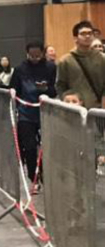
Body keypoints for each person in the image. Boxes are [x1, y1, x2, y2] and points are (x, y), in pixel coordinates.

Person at [10, 42, 56, 185]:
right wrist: (12, 91)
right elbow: (14, 87)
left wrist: (46, 89)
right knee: (29, 147)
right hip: (26, 114)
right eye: (31, 56)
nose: (35, 58)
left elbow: (55, 90)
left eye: (38, 56)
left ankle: (44, 174)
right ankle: (32, 177)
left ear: (42, 53)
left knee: (46, 147)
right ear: (27, 54)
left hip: (45, 113)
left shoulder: (51, 67)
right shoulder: (20, 69)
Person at [57, 20, 105, 109]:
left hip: (98, 108)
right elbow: (60, 86)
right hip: (75, 109)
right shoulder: (66, 61)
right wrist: (68, 99)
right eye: (83, 34)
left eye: (90, 33)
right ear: (75, 38)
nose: (87, 36)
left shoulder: (102, 59)